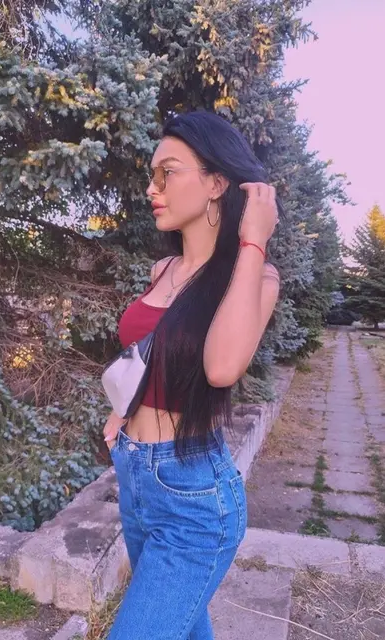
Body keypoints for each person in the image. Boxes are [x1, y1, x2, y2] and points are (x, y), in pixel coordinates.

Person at [103, 111, 280, 639]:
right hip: (135, 476)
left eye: (168, 172)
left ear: (216, 184)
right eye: (151, 175)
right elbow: (146, 352)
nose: (152, 188)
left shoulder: (256, 278)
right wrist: (120, 413)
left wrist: (253, 241)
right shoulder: (163, 270)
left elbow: (221, 369)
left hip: (193, 497)